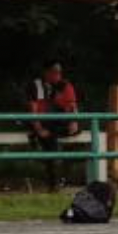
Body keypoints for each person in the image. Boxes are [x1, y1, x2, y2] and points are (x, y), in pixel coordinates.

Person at [27, 60, 81, 189]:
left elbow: (73, 106)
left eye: (59, 72)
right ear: (46, 72)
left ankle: (58, 179)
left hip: (59, 122)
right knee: (49, 140)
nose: (58, 75)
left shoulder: (65, 85)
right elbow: (32, 111)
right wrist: (39, 129)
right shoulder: (35, 85)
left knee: (60, 135)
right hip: (42, 122)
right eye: (54, 72)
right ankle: (55, 182)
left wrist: (74, 121)